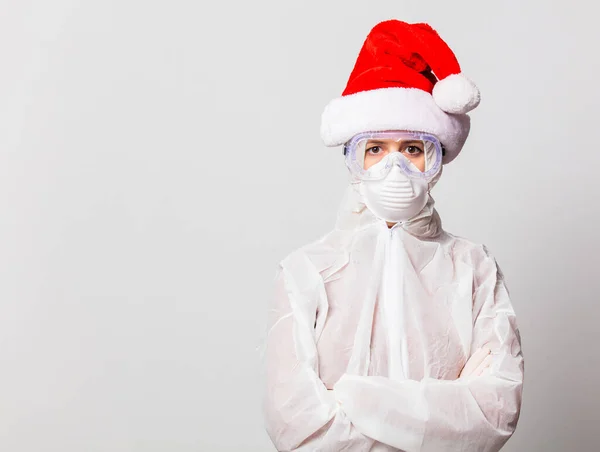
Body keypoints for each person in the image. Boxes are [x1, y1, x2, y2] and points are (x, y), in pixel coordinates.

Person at [262, 19, 524, 452]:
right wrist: (433, 419)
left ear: (437, 161)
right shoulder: (305, 272)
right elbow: (294, 425)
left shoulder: (474, 268)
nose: (394, 167)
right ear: (353, 159)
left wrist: (353, 398)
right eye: (376, 149)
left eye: (413, 149)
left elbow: (494, 412)